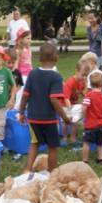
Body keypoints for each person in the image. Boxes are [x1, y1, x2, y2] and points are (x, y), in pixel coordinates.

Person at [18, 42, 71, 172]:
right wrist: (65, 117)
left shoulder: (32, 74)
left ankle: (27, 169)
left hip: (33, 117)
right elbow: (54, 99)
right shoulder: (56, 77)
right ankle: (52, 172)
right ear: (56, 57)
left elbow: (25, 95)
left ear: (39, 57)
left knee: (34, 143)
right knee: (52, 146)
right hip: (49, 119)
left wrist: (20, 112)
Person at [81, 72, 102, 164]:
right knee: (100, 143)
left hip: (90, 124)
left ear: (90, 84)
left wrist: (84, 116)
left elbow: (84, 107)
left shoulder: (89, 95)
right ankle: (100, 159)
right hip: (101, 125)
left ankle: (85, 160)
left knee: (86, 143)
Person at [61, 61, 86, 147]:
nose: (84, 77)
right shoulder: (70, 82)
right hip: (65, 105)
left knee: (75, 121)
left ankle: (73, 138)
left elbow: (81, 91)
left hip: (73, 104)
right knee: (66, 121)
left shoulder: (82, 81)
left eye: (86, 75)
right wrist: (70, 110)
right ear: (77, 71)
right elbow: (66, 98)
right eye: (83, 75)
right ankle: (64, 138)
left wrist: (85, 96)